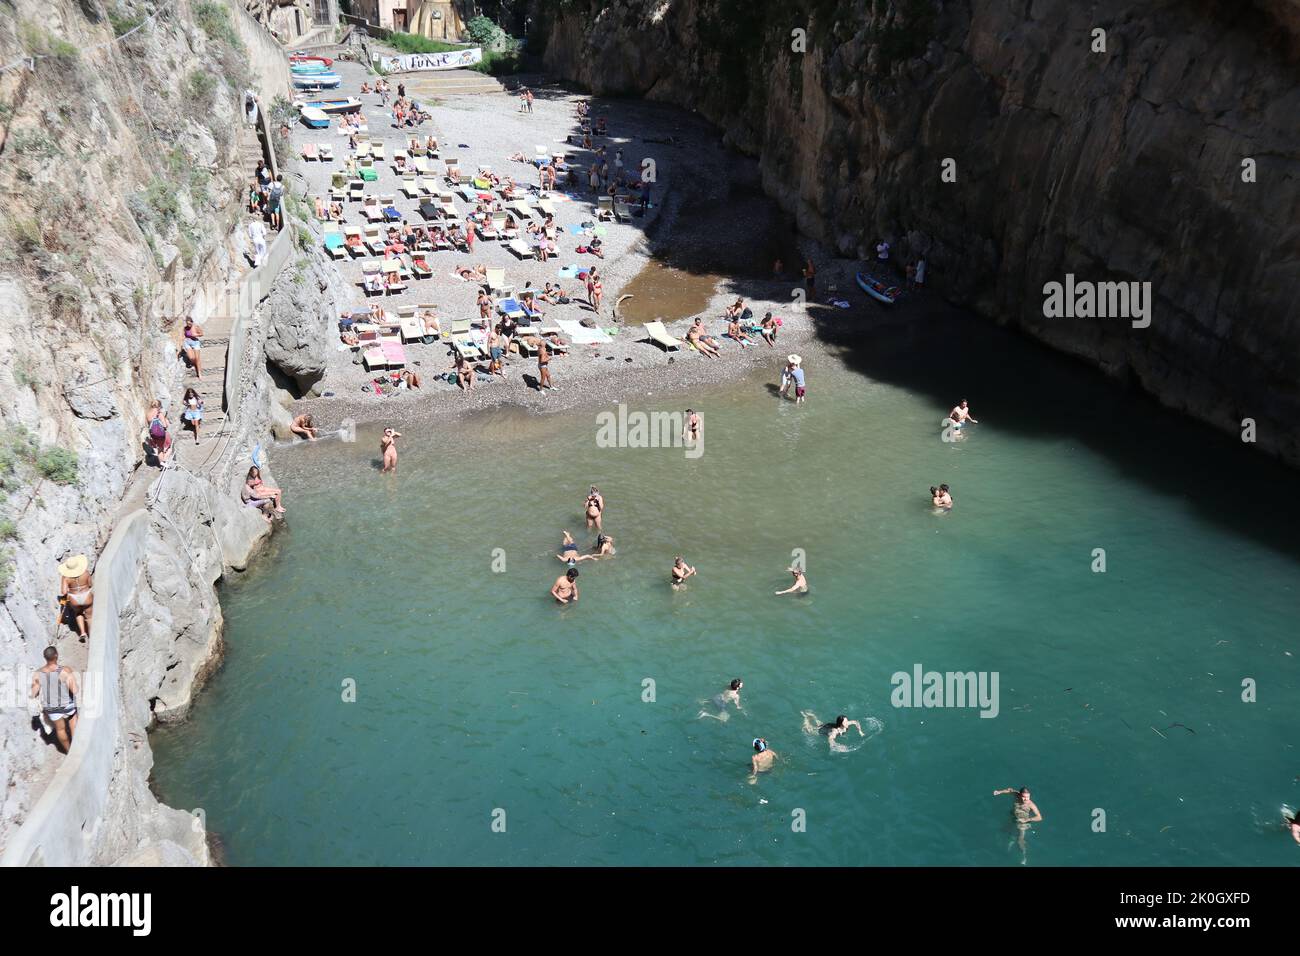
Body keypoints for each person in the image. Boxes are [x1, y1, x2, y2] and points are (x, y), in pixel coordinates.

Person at [32, 646, 79, 753]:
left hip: (51, 706)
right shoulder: (65, 670)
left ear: (45, 658)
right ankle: (77, 750)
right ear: (56, 655)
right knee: (73, 721)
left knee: (60, 729)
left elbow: (34, 693)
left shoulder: (38, 673)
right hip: (67, 704)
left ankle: (68, 751)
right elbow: (74, 689)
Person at [994, 786, 1043, 859]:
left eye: (1028, 797)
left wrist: (1027, 820)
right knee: (1006, 831)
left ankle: (1024, 857)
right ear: (1020, 795)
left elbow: (1039, 817)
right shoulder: (1016, 795)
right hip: (1014, 817)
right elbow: (1009, 790)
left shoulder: (1031, 805)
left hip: (1023, 823)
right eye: (1024, 797)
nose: (1026, 799)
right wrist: (999, 792)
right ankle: (1008, 848)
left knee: (1020, 840)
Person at [57, 554, 93, 642]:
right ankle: (92, 635)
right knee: (89, 617)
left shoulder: (66, 577)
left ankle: (83, 632)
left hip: (74, 598)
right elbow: (90, 584)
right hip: (86, 595)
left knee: (78, 613)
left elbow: (64, 592)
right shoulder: (86, 572)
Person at [146, 399, 173, 467]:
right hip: (160, 433)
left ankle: (162, 462)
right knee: (168, 448)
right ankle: (163, 461)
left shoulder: (148, 413)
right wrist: (166, 422)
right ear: (159, 406)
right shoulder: (159, 413)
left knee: (160, 448)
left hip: (153, 434)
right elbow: (164, 425)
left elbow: (149, 424)